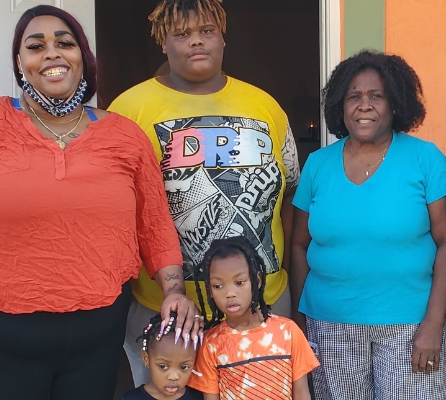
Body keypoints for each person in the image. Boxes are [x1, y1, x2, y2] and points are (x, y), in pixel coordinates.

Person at [0, 5, 202, 399]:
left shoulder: (125, 136)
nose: (52, 53)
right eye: (35, 46)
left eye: (65, 43)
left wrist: (174, 291)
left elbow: (156, 228)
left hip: (97, 334)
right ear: (19, 63)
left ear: (83, 58)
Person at [108, 0, 302, 387]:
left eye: (207, 31)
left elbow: (290, 194)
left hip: (261, 303)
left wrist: (280, 272)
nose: (196, 42)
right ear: (163, 43)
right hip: (163, 308)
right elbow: (113, 210)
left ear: (223, 39)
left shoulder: (266, 107)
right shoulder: (127, 111)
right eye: (182, 34)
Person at [289, 50, 446, 400]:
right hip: (329, 325)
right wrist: (299, 321)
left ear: (395, 104)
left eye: (376, 96)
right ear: (340, 105)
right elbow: (299, 244)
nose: (364, 106)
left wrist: (433, 324)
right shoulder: (318, 164)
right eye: (354, 97)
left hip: (410, 325)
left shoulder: (425, 158)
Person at [188, 236, 318, 400]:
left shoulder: (288, 332)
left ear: (256, 280)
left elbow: (301, 393)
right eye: (218, 286)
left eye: (240, 282)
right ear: (210, 291)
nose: (230, 293)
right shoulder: (211, 344)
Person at [123, 315, 205, 400]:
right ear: (146, 359)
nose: (174, 377)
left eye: (184, 367)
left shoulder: (199, 397)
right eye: (163, 366)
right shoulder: (131, 398)